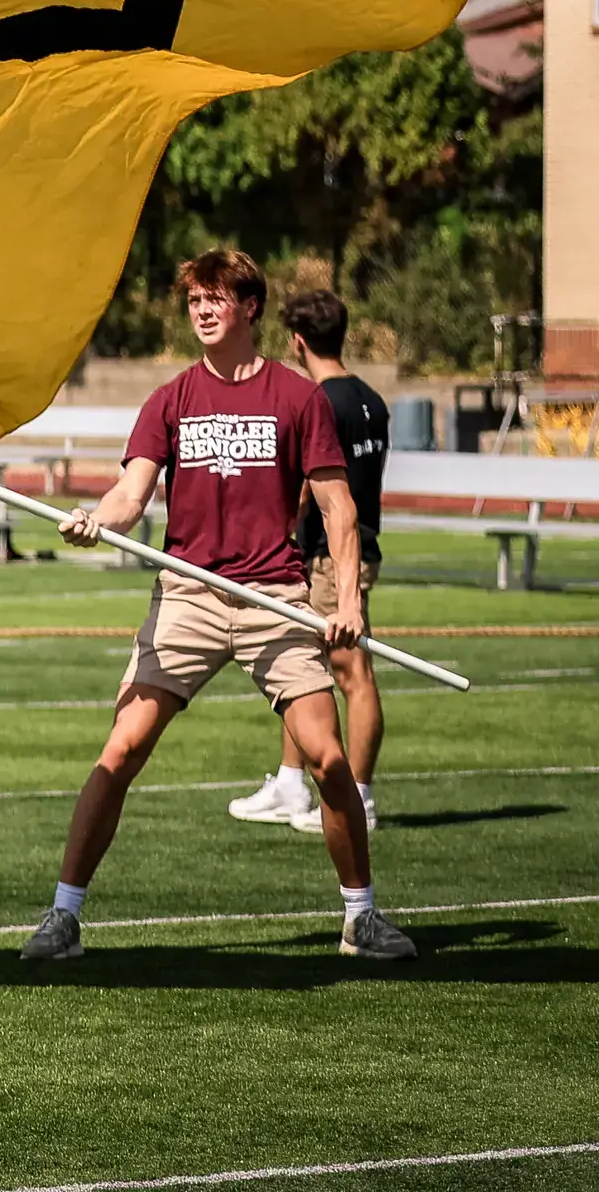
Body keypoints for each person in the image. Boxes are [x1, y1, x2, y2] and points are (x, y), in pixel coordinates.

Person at [20, 248, 416, 965]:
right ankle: (63, 915)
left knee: (327, 759)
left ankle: (361, 916)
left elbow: (339, 508)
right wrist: (96, 520)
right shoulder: (169, 400)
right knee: (122, 748)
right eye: (195, 300)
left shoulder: (298, 399)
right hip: (189, 596)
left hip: (274, 598)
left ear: (251, 308)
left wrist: (349, 600)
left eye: (216, 299)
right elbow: (130, 495)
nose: (202, 310)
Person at [229, 288, 393, 836]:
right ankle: (291, 784)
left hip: (329, 556)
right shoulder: (371, 399)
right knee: (296, 660)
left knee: (351, 674)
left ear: (297, 342)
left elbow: (309, 488)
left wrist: (269, 528)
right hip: (352, 547)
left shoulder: (318, 400)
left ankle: (360, 799)